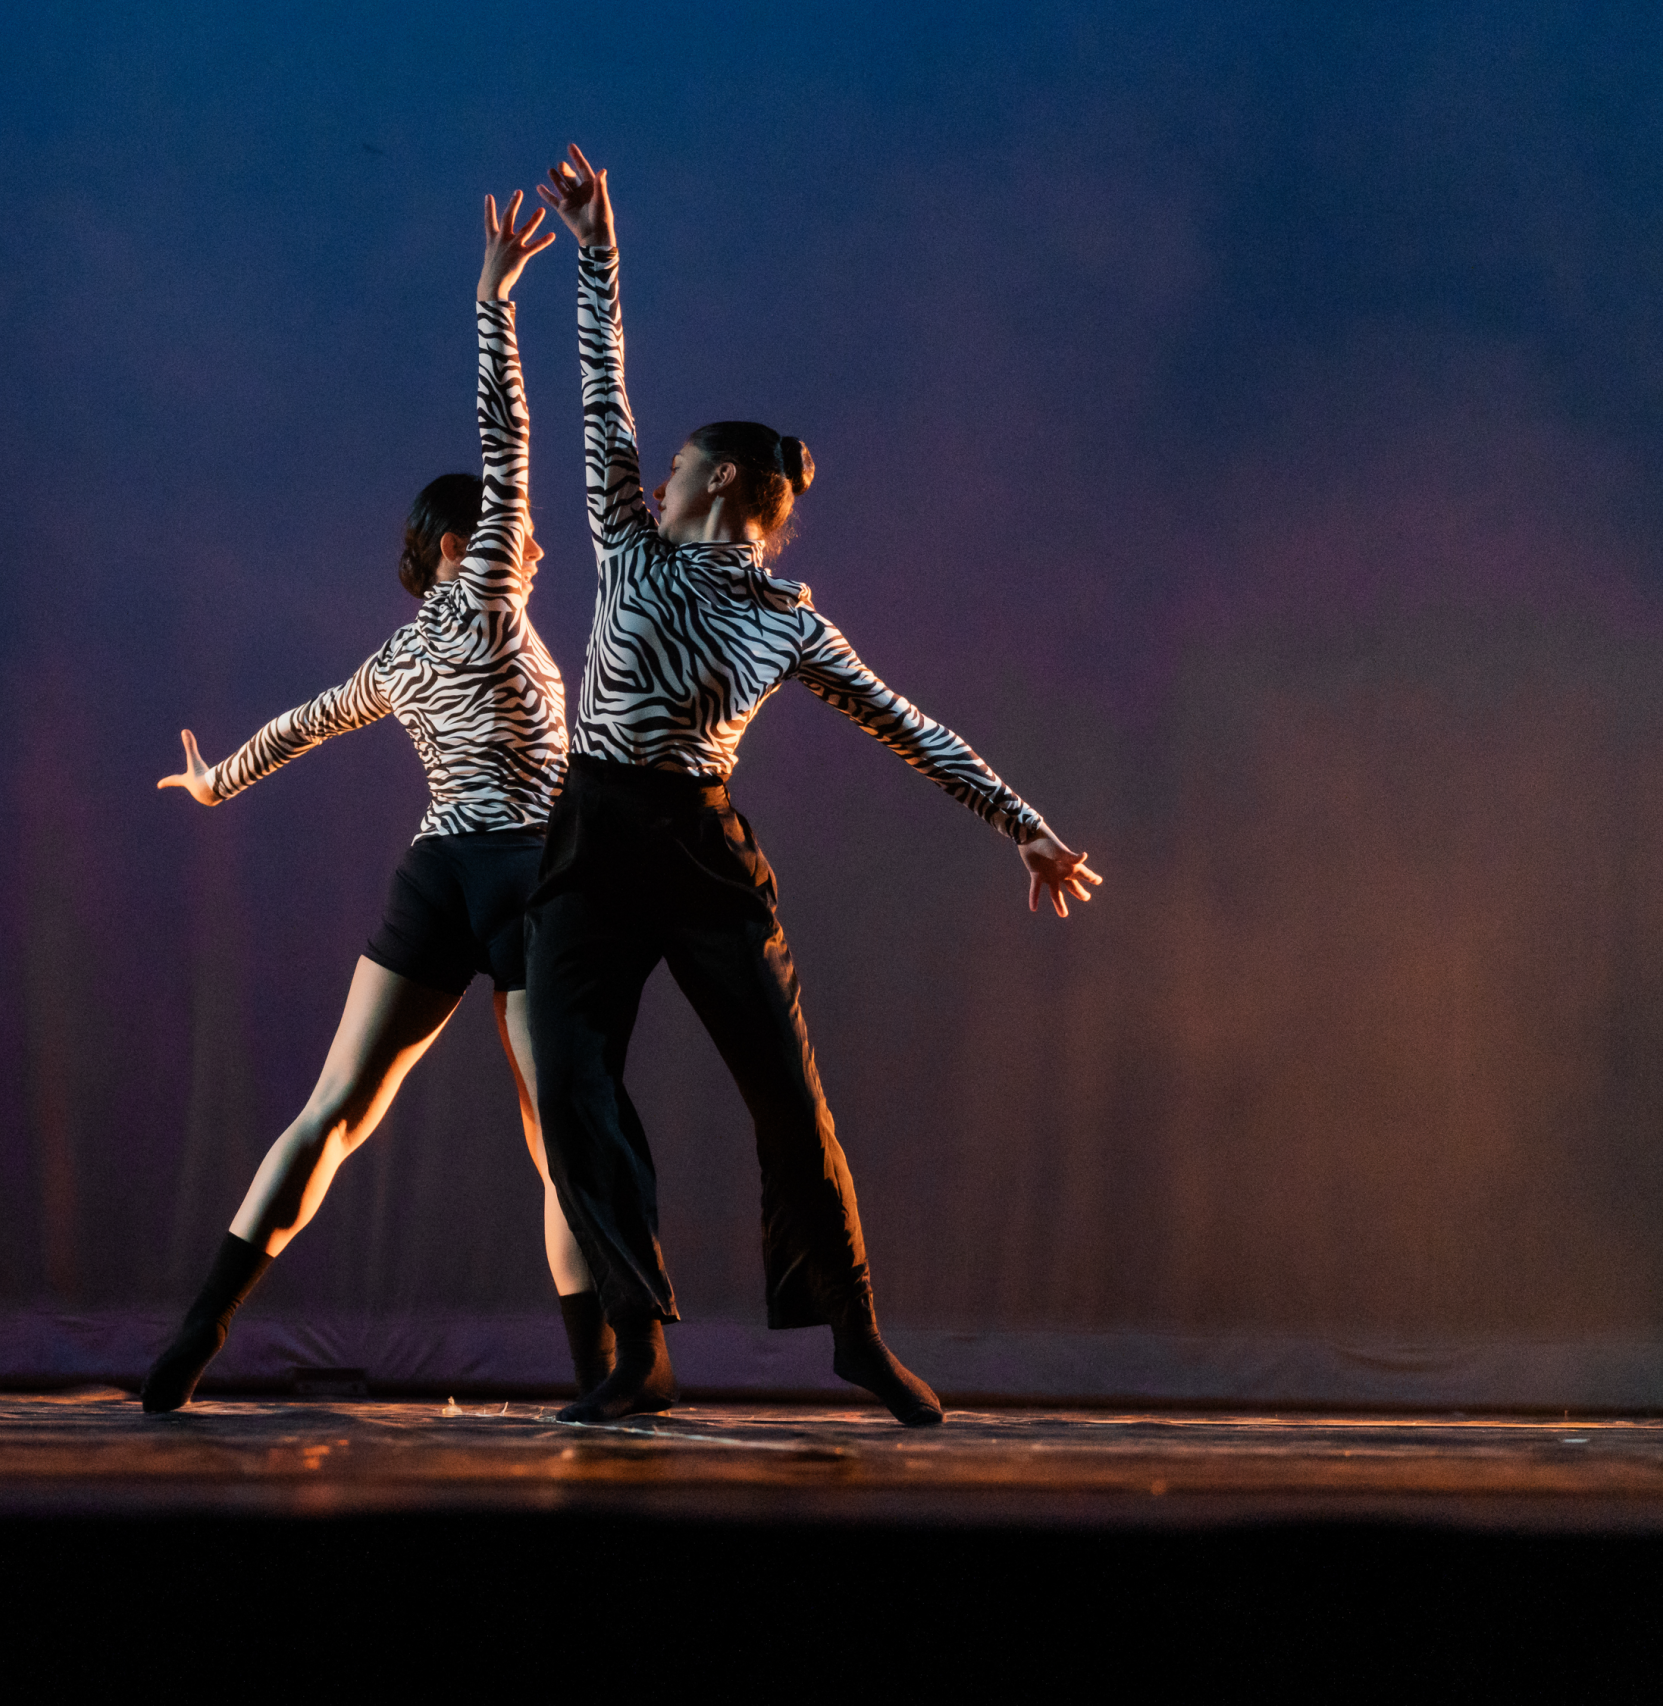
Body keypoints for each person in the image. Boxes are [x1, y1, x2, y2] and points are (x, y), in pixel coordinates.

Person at [525, 145, 1103, 1426]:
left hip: (699, 850)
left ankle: (854, 1333)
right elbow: (600, 384)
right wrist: (597, 250)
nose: (659, 476)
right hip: (593, 835)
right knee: (570, 1079)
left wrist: (1022, 826)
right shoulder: (625, 541)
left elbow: (909, 726)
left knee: (789, 1098)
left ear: (721, 481)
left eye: (680, 465)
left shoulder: (790, 621)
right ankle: (638, 1345)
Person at [142, 191, 614, 1412]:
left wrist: (215, 781)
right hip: (524, 871)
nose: (534, 548)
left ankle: (194, 1337)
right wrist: (491, 302)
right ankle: (601, 1377)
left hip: (435, 877)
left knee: (332, 1114)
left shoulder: (393, 661)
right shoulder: (489, 594)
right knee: (558, 1136)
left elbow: (298, 725)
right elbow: (506, 435)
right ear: (462, 545)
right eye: (511, 535)